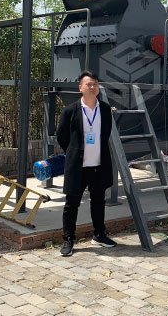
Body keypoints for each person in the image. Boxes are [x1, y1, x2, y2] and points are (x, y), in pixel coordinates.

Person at [56, 69, 117, 256]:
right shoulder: (70, 111)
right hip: (78, 166)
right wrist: (74, 152)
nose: (92, 87)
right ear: (80, 88)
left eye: (95, 84)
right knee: (71, 204)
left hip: (98, 165)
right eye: (89, 84)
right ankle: (68, 239)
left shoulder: (105, 109)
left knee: (98, 201)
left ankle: (99, 234)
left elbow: (106, 134)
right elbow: (62, 136)